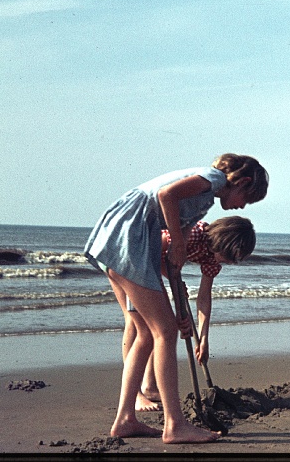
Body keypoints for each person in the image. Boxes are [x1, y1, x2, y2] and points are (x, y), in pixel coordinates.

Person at [84, 153, 268, 444]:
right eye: (246, 198)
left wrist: (180, 303)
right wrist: (180, 243)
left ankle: (125, 419)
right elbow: (165, 195)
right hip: (132, 237)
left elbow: (174, 261)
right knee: (165, 332)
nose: (242, 206)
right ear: (242, 182)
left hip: (128, 237)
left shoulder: (204, 202)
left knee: (148, 332)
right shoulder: (213, 180)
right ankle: (174, 425)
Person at [118, 217, 256, 412]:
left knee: (158, 327)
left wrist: (203, 338)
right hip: (134, 261)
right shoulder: (193, 233)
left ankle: (149, 386)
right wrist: (174, 282)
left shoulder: (212, 260)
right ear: (223, 241)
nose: (229, 262)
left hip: (151, 271)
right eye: (229, 256)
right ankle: (135, 395)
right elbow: (156, 253)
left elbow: (203, 299)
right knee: (136, 322)